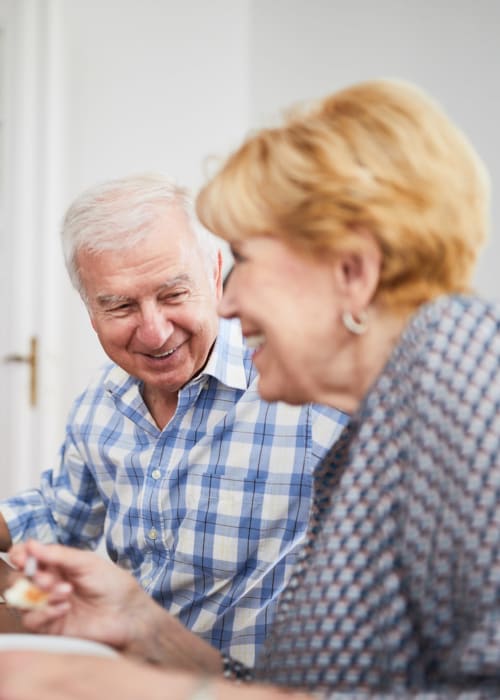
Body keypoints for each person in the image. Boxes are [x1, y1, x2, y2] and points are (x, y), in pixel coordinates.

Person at [1, 77, 500, 699]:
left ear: (353, 271)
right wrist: (145, 628)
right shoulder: (381, 421)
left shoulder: (465, 378)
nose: (229, 302)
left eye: (244, 258)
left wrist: (159, 692)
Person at [0, 173, 348, 665]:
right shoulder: (101, 402)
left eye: (173, 294)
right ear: (90, 308)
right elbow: (61, 515)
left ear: (215, 274)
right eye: (119, 304)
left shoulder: (303, 387)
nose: (154, 331)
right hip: (133, 679)